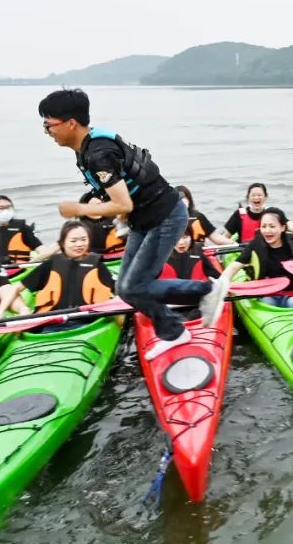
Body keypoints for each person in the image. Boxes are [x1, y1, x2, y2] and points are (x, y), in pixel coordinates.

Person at [39, 88, 226, 361]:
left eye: (49, 125)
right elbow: (126, 194)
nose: (47, 132)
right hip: (143, 220)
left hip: (164, 217)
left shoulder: (98, 154)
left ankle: (207, 289)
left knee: (136, 286)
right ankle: (174, 332)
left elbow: (123, 203)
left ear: (70, 123)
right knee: (126, 289)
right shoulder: (88, 146)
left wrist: (77, 209)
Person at [18, 220, 114, 312]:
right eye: (73, 241)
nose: (79, 244)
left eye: (84, 239)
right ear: (62, 243)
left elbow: (118, 291)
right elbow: (16, 288)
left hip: (90, 319)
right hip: (52, 320)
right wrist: (23, 309)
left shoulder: (98, 265)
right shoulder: (50, 265)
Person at [220, 208, 293, 308]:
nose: (267, 231)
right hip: (267, 294)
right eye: (263, 226)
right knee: (269, 302)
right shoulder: (256, 245)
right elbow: (234, 266)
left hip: (292, 293)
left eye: (272, 226)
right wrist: (222, 284)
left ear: (283, 228)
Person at [223, 183, 293, 243]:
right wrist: (232, 243)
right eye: (253, 195)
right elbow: (225, 236)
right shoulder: (239, 215)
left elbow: (290, 226)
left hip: (267, 251)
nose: (256, 198)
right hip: (244, 251)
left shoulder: (272, 213)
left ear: (265, 197)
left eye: (259, 195)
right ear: (248, 197)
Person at [0, 195, 43, 264]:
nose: (5, 211)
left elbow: (42, 249)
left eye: (8, 207)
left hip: (19, 268)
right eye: (1, 208)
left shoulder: (23, 229)